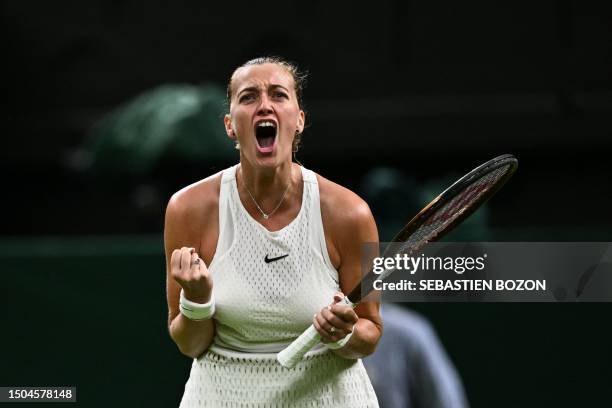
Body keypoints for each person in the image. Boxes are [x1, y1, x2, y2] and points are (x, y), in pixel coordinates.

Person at [164, 56, 382, 407]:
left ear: (299, 121)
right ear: (230, 125)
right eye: (248, 97)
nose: (264, 105)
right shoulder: (187, 209)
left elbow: (370, 333)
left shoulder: (349, 213)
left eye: (278, 95)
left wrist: (342, 334)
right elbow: (190, 344)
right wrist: (197, 299)